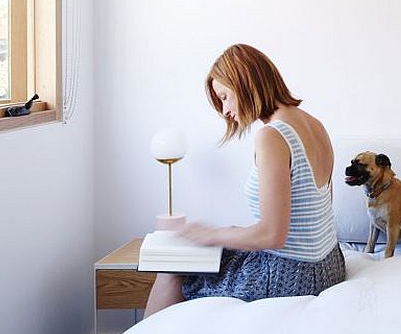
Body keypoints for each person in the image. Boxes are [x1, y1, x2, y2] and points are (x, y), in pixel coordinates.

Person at [144, 44, 345, 316]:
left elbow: (273, 235)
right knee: (215, 250)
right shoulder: (314, 124)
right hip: (330, 264)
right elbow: (310, 218)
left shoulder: (272, 135)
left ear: (245, 81)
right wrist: (230, 234)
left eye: (225, 96)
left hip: (293, 275)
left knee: (173, 269)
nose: (225, 110)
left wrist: (213, 234)